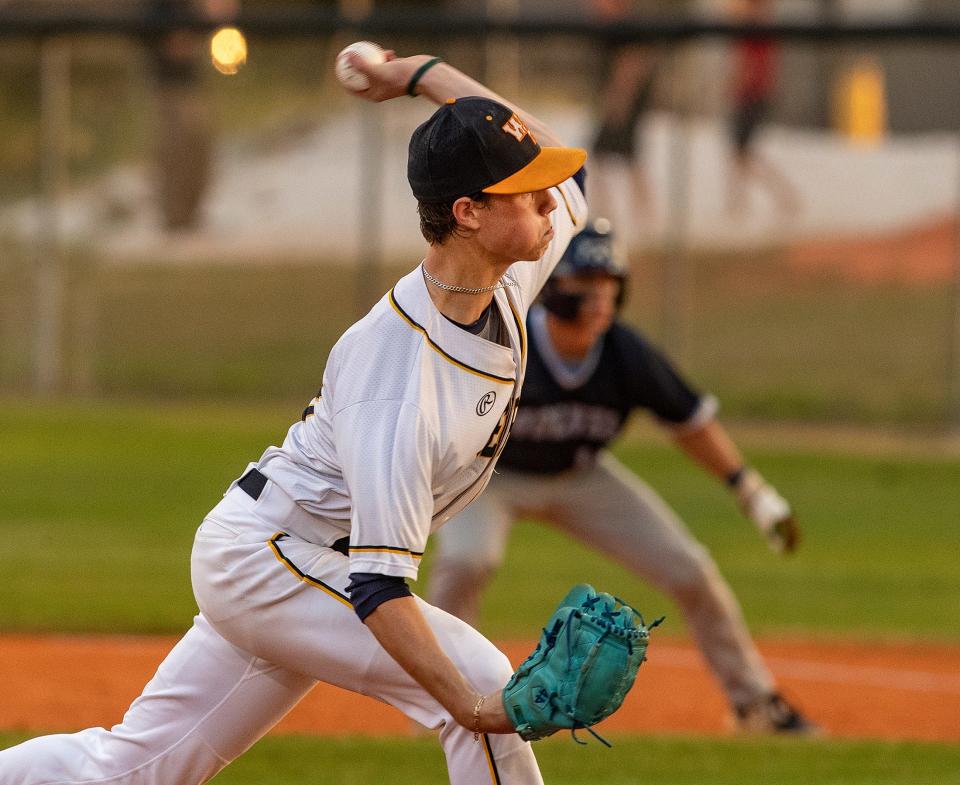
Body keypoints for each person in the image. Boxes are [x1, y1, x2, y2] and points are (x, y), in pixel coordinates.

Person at [0, 48, 587, 785]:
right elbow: (379, 589)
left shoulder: (508, 266)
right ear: (468, 214)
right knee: (478, 676)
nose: (547, 200)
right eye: (525, 192)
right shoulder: (398, 375)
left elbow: (574, 177)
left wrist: (421, 77)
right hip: (269, 558)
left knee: (128, 771)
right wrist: (473, 706)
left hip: (292, 554)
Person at [428, 219, 817, 734]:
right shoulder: (509, 338)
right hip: (491, 477)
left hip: (582, 478)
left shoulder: (623, 352)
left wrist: (751, 491)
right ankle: (442, 704)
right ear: (553, 287)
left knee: (690, 569)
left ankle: (755, 704)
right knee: (465, 559)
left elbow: (690, 421)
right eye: (586, 284)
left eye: (609, 286)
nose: (599, 299)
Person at [587, 0, 659, 230]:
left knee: (603, 157)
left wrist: (620, 98)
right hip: (624, 102)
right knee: (627, 158)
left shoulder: (624, 27)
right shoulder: (613, 27)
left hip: (625, 103)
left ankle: (607, 218)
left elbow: (631, 64)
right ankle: (641, 215)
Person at [726, 0, 801, 218]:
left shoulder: (758, 30)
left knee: (743, 153)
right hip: (751, 94)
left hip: (752, 95)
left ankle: (782, 196)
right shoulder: (757, 29)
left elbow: (751, 65)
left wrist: (738, 83)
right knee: (740, 153)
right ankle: (739, 203)